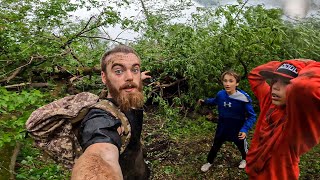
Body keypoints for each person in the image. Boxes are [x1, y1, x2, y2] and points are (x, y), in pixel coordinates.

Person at [71, 45, 150, 180]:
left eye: (135, 69)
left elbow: (130, 80)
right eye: (118, 71)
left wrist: (138, 77)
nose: (130, 77)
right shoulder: (101, 118)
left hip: (139, 171)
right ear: (104, 77)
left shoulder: (127, 91)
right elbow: (101, 154)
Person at [245, 59, 320, 180]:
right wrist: (285, 65)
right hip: (254, 172)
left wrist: (306, 64)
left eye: (286, 82)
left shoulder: (298, 119)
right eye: (275, 80)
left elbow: (306, 87)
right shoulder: (269, 102)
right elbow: (255, 75)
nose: (275, 87)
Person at [198, 70, 257, 172]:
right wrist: (205, 101)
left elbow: (252, 116)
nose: (227, 83)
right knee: (216, 145)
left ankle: (245, 159)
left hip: (237, 127)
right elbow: (215, 101)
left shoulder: (243, 98)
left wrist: (244, 129)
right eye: (225, 81)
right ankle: (209, 162)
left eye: (231, 81)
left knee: (242, 146)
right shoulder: (221, 94)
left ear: (237, 83)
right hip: (222, 126)